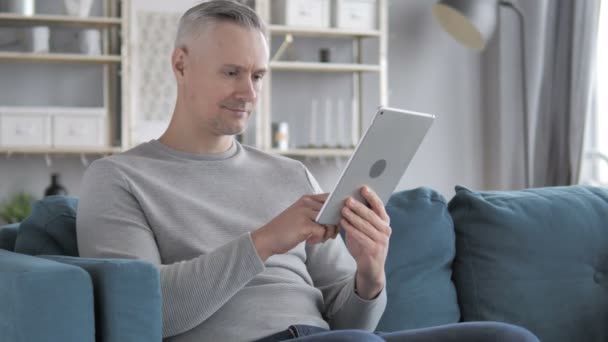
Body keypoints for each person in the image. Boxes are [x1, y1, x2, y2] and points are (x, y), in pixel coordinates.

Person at [76, 1, 539, 341]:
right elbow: (139, 313)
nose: (249, 93)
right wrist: (265, 240)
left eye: (257, 76)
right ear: (181, 63)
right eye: (231, 72)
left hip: (332, 339)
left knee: (506, 339)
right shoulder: (118, 178)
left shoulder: (291, 175)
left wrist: (370, 275)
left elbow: (347, 321)